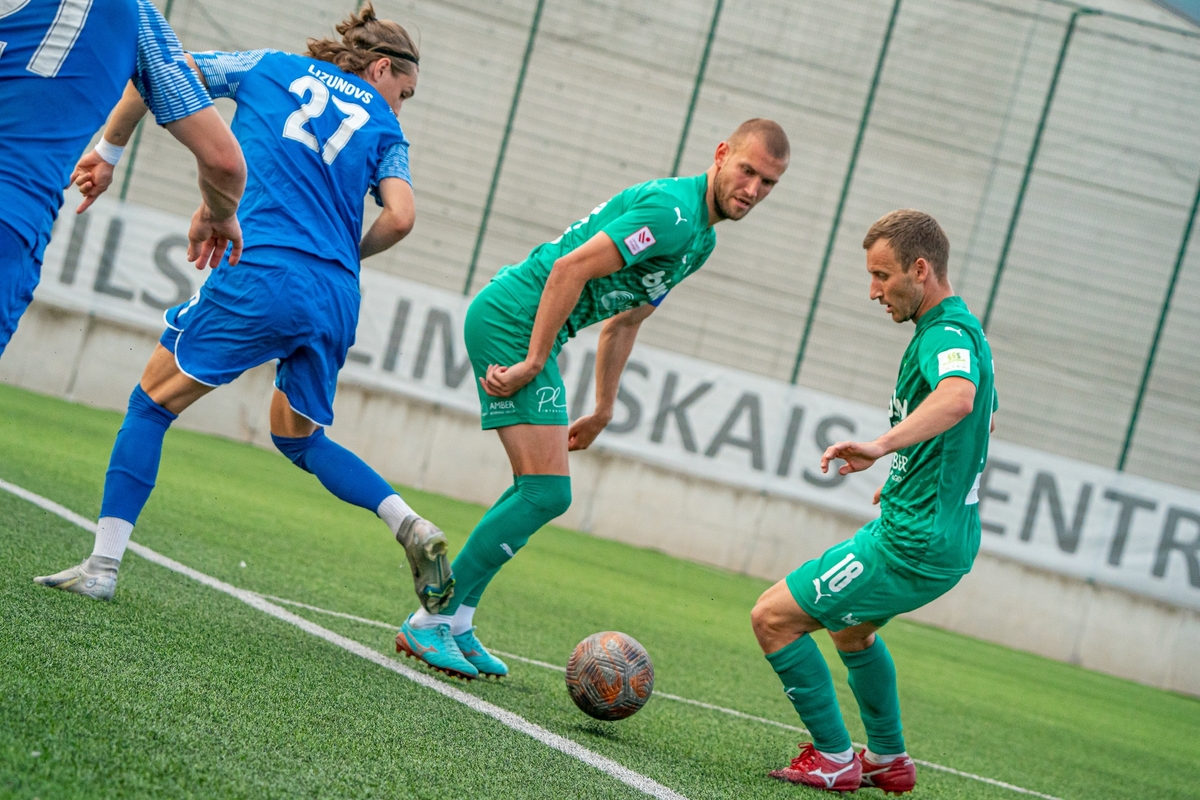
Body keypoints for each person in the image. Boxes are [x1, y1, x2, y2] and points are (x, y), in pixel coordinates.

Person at [34, 4, 454, 616]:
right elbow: (401, 217)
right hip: (336, 294)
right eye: (404, 93)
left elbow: (158, 73)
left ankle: (101, 566)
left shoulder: (266, 67)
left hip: (262, 271)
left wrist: (109, 150)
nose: (400, 106)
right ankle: (408, 522)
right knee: (299, 438)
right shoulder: (386, 129)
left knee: (150, 405)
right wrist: (343, 255)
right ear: (381, 68)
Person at [395, 119, 791, 680]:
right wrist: (534, 360)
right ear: (722, 154)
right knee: (546, 492)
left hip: (532, 327)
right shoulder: (673, 214)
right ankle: (431, 618)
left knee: (536, 490)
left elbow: (625, 321)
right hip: (513, 318)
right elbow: (570, 268)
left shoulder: (700, 239)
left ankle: (456, 620)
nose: (752, 189)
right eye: (747, 170)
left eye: (768, 182)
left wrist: (604, 408)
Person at [750, 209, 997, 793]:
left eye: (882, 276)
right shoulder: (960, 330)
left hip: (912, 542)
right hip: (940, 534)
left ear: (920, 269)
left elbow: (959, 400)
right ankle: (887, 757)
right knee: (851, 632)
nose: (873, 291)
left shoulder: (945, 334)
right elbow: (973, 423)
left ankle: (835, 758)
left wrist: (883, 446)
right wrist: (912, 471)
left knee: (772, 619)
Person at [0, 0, 246, 358]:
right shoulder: (137, 15)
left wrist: (109, 150)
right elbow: (224, 162)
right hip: (11, 214)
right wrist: (219, 213)